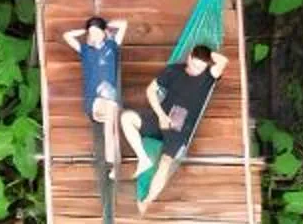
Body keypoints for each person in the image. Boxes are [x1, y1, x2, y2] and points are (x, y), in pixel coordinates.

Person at [132, 41, 227, 204]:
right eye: (195, 64)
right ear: (189, 57)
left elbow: (223, 61)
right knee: (128, 118)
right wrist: (161, 116)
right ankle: (142, 159)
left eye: (201, 67)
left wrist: (205, 54)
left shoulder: (208, 77)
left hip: (180, 127)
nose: (197, 70)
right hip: (161, 118)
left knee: (165, 163)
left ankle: (146, 201)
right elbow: (151, 90)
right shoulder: (174, 70)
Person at [62, 13, 129, 174]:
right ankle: (112, 162)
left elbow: (124, 24)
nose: (94, 35)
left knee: (111, 121)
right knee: (110, 114)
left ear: (104, 33)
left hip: (111, 101)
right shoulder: (85, 50)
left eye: (97, 32)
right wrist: (84, 30)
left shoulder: (112, 46)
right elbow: (66, 36)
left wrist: (106, 27)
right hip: (94, 101)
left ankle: (113, 163)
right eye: (91, 33)